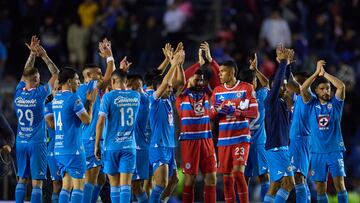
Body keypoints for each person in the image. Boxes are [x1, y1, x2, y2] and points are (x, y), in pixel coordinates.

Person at [14, 36, 59, 203]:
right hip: (37, 142)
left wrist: (32, 55)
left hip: (21, 142)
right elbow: (56, 74)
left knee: (21, 180)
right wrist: (44, 55)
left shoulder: (18, 93)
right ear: (37, 80)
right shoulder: (40, 94)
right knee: (37, 182)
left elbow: (26, 73)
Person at [210, 60, 258, 203]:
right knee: (226, 179)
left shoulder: (247, 88)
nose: (219, 74)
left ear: (231, 73)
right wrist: (216, 110)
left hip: (241, 138)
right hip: (224, 140)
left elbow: (254, 113)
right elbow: (210, 115)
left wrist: (236, 111)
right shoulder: (217, 91)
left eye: (222, 71)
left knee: (238, 173)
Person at [300, 60, 348, 203]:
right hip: (316, 152)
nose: (326, 91)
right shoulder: (312, 104)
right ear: (316, 91)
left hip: (334, 150)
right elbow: (303, 89)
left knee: (339, 184)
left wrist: (324, 74)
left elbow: (341, 86)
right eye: (322, 88)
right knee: (321, 187)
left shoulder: (336, 104)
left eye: (328, 88)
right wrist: (316, 73)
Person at [76, 38, 114, 203]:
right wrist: (109, 56)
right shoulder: (89, 86)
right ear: (89, 76)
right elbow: (109, 77)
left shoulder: (90, 89)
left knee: (100, 179)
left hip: (96, 138)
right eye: (98, 73)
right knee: (90, 179)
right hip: (91, 140)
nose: (101, 76)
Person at [94, 69, 140, 203]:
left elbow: (100, 122)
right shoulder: (135, 96)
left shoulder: (108, 97)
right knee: (126, 185)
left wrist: (97, 144)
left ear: (113, 81)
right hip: (129, 146)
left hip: (111, 147)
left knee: (114, 186)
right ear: (126, 82)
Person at [53, 67, 96, 203]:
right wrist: (90, 103)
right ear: (70, 81)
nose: (79, 83)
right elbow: (87, 120)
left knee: (66, 186)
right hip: (73, 149)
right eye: (77, 80)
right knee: (78, 186)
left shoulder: (56, 97)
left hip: (59, 149)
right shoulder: (73, 98)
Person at [148, 50, 185, 203]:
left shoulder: (169, 99)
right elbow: (164, 83)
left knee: (174, 180)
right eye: (168, 88)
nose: (170, 89)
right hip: (158, 146)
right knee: (160, 184)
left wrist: (179, 65)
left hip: (169, 146)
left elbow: (181, 83)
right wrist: (173, 64)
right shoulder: (153, 99)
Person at [176, 68, 217, 203]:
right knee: (190, 179)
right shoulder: (181, 95)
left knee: (211, 178)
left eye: (201, 80)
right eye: (197, 79)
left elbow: (217, 86)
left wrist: (208, 62)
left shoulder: (206, 94)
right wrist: (197, 64)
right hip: (189, 142)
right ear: (188, 80)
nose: (200, 82)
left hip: (206, 140)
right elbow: (181, 80)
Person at [263, 45, 295, 203]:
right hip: (276, 147)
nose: (284, 87)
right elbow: (277, 84)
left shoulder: (282, 102)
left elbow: (284, 82)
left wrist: (288, 65)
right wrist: (282, 63)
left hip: (280, 147)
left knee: (275, 185)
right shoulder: (270, 101)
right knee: (289, 183)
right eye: (280, 85)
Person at [241, 54, 271, 202]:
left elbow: (266, 85)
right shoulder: (260, 94)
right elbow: (266, 84)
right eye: (253, 80)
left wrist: (255, 70)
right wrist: (257, 70)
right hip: (252, 143)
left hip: (250, 142)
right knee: (257, 177)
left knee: (253, 176)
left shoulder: (238, 98)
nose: (255, 82)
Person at [287, 71, 312, 203]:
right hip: (295, 141)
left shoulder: (308, 96)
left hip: (302, 140)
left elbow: (291, 84)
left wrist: (285, 64)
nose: (294, 85)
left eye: (298, 82)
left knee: (298, 177)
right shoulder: (298, 97)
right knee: (297, 178)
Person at [127, 74, 152, 203]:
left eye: (128, 86)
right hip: (136, 147)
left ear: (135, 86)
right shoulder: (143, 97)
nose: (126, 89)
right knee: (131, 186)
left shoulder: (142, 100)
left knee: (135, 187)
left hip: (138, 148)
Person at [44, 94, 62, 203]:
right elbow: (51, 124)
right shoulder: (49, 106)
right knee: (57, 185)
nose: (59, 91)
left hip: (71, 148)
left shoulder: (73, 101)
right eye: (56, 89)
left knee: (72, 184)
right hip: (54, 148)